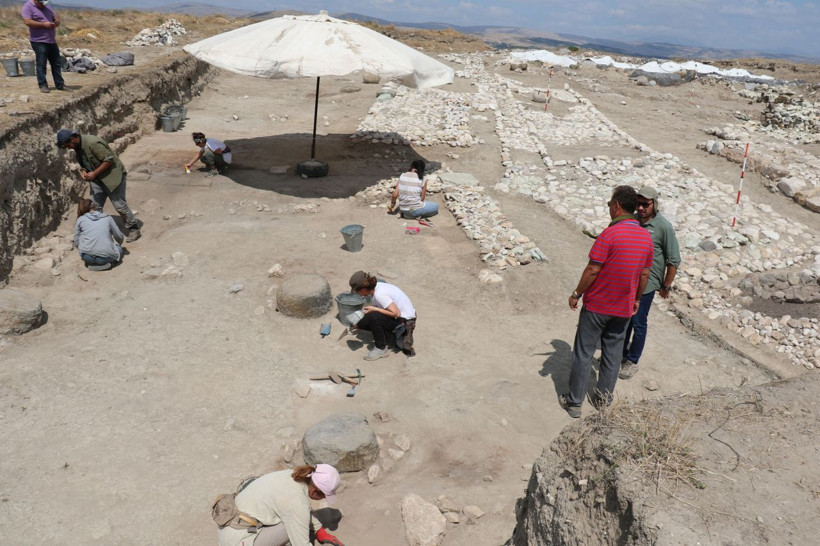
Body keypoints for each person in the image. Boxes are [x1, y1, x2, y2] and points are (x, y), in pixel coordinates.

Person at [560, 186, 653, 418]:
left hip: (598, 306)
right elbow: (644, 274)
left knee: (584, 352)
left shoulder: (609, 234)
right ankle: (602, 401)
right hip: (623, 308)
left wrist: (576, 293)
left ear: (617, 206)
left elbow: (593, 269)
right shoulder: (645, 237)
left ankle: (574, 403)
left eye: (610, 205)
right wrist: (638, 299)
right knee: (612, 355)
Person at [620, 186, 681, 380]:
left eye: (645, 204)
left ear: (655, 204)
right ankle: (619, 354)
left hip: (647, 283)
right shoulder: (634, 221)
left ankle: (632, 360)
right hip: (628, 280)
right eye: (638, 204)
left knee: (638, 322)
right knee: (624, 319)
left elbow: (674, 259)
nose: (640, 208)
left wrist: (666, 285)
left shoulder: (663, 227)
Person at [217, 464, 345, 546]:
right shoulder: (296, 503)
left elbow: (302, 508)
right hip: (238, 541)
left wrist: (319, 531)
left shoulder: (292, 475)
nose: (324, 498)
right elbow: (301, 542)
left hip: (230, 529)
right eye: (324, 495)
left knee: (297, 519)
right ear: (314, 491)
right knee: (295, 528)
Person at [57, 129, 141, 242]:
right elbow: (84, 163)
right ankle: (98, 230)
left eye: (68, 145)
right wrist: (83, 171)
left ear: (72, 139)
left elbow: (109, 160)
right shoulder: (78, 146)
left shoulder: (93, 143)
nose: (69, 148)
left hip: (112, 177)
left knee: (119, 205)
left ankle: (133, 228)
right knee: (94, 205)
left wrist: (94, 173)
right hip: (97, 180)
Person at [348, 271, 417, 360]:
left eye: (357, 291)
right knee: (363, 321)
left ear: (364, 289)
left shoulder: (379, 295)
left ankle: (381, 348)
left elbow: (396, 313)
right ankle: (391, 336)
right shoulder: (377, 287)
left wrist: (375, 309)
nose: (357, 293)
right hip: (401, 318)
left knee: (373, 316)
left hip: (406, 323)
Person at [21, 0, 65, 93]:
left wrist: (56, 22)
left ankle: (60, 84)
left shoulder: (47, 7)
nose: (42, 5)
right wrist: (44, 24)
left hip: (51, 41)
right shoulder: (28, 6)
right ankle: (43, 85)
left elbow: (56, 18)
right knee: (41, 64)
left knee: (56, 63)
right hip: (38, 41)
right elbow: (27, 21)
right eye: (41, 3)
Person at [73, 198, 123, 271]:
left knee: (82, 236)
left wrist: (83, 250)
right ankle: (110, 264)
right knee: (119, 249)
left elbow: (76, 241)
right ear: (94, 207)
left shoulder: (80, 220)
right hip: (105, 257)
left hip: (87, 257)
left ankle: (92, 264)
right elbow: (119, 236)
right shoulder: (107, 218)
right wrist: (119, 243)